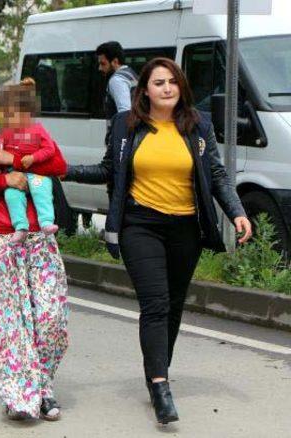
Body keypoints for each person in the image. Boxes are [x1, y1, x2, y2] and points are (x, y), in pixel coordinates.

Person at [99, 57, 252, 424]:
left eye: (172, 81)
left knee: (174, 303)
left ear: (180, 86)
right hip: (140, 225)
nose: (167, 88)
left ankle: (157, 367)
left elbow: (215, 173)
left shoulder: (198, 125)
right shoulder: (126, 125)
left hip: (186, 228)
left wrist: (236, 211)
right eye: (158, 83)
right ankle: (160, 386)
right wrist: (54, 168)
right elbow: (108, 169)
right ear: (145, 91)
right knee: (156, 304)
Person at [0, 94, 69, 421]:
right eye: (9, 111)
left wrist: (17, 158)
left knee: (51, 319)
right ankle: (21, 394)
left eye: (21, 111)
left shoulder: (38, 137)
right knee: (12, 322)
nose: (15, 117)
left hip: (41, 239)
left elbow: (59, 166)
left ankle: (42, 383)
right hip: (4, 238)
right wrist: (2, 179)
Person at [65, 42, 138, 225]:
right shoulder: (133, 75)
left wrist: (118, 143)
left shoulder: (117, 80)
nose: (99, 68)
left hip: (122, 145)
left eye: (103, 63)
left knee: (113, 184)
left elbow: (124, 113)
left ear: (115, 61)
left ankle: (117, 231)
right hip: (135, 144)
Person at [0, 78, 59, 243]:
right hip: (14, 175)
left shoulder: (38, 129)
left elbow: (50, 150)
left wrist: (34, 157)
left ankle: (46, 222)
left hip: (36, 173)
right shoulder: (5, 132)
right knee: (11, 194)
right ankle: (20, 226)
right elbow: (0, 153)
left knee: (41, 189)